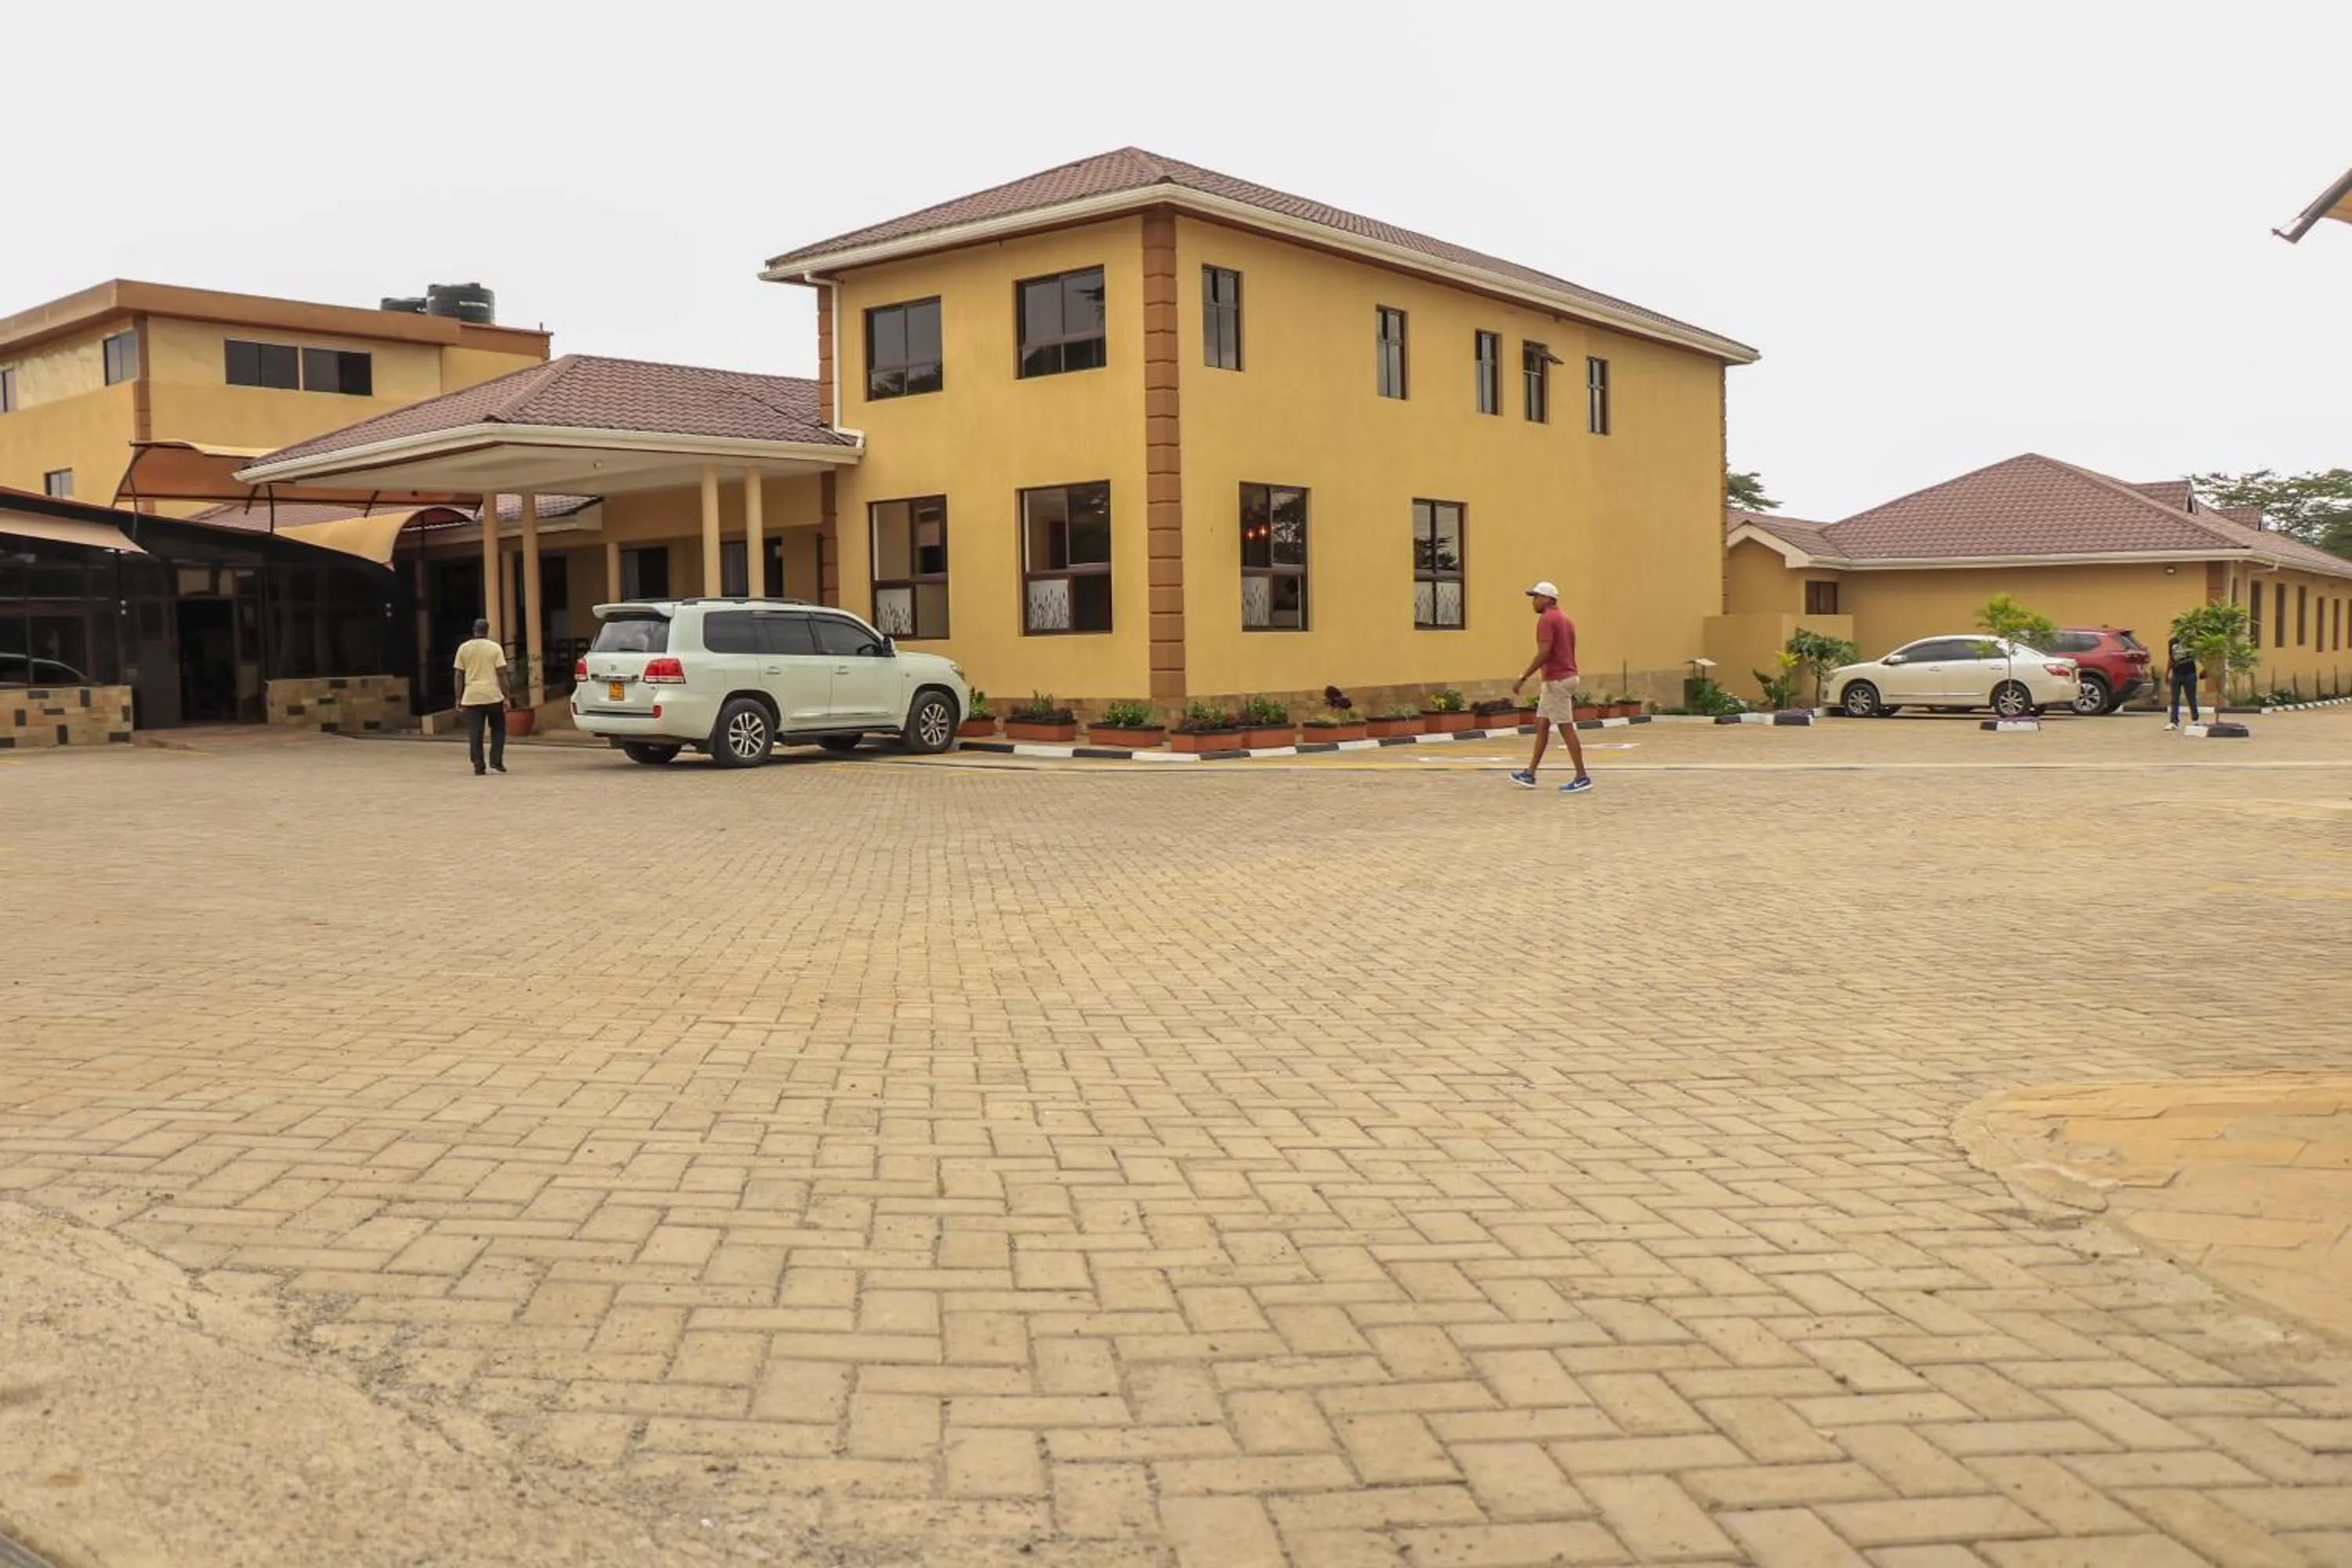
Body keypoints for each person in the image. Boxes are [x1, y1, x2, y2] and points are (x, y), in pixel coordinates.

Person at [1508, 581, 1592, 793]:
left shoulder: (1547, 619)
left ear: (1547, 599)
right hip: (1564, 677)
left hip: (1557, 681)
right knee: (1542, 724)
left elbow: (1544, 652)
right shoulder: (1566, 619)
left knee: (1565, 727)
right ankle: (1530, 774)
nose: (1533, 601)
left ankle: (1582, 777)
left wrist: (1523, 677)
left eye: (1536, 597)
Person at [453, 619, 511, 775]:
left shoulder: (464, 649)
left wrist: (458, 697)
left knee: (475, 731)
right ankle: (496, 760)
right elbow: (501, 673)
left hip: (472, 696)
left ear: (474, 630)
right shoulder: (495, 648)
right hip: (492, 695)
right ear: (487, 630)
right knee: (498, 728)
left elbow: (459, 675)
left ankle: (478, 764)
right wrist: (506, 696)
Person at [2164, 633, 2200, 731]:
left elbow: (2199, 655)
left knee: (2191, 698)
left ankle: (2195, 720)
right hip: (2176, 674)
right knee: (2174, 699)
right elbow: (2171, 658)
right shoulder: (2172, 642)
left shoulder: (2191, 641)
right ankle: (2173, 722)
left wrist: (2205, 668)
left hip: (2190, 673)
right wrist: (2167, 673)